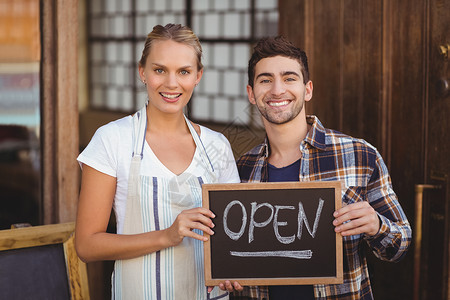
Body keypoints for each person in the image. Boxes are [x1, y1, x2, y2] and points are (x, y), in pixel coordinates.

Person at [230, 36, 412, 299]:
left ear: (308, 89)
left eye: (289, 78)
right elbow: (235, 256)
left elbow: (400, 244)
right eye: (265, 79)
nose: (277, 90)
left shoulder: (360, 155)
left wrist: (376, 226)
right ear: (251, 93)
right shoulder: (242, 169)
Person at [75, 24, 242, 299]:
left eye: (184, 72)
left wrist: (235, 269)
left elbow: (232, 236)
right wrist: (167, 235)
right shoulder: (112, 140)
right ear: (142, 72)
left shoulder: (216, 145)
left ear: (198, 76)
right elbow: (86, 245)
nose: (171, 83)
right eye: (159, 70)